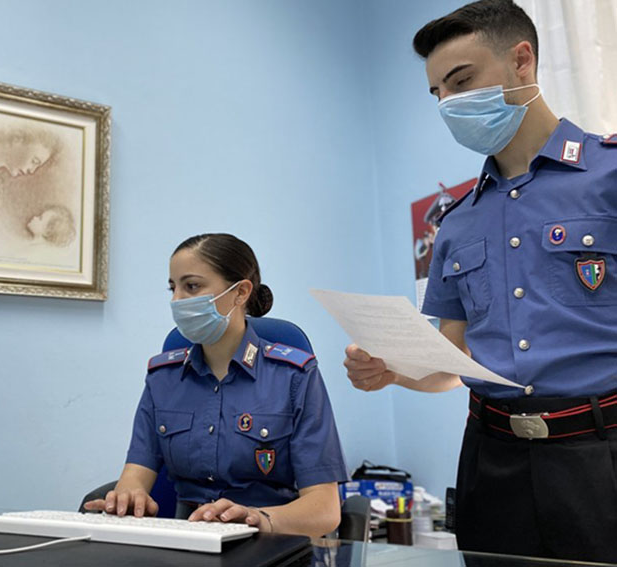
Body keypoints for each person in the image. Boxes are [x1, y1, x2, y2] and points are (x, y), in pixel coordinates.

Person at [344, 0, 617, 562]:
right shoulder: (457, 221)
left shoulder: (608, 174)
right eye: (438, 92)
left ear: (523, 62)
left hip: (602, 454)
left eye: (462, 80)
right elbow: (452, 361)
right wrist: (391, 371)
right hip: (490, 462)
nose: (449, 103)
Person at [86, 233, 348, 538]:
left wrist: (256, 518)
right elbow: (135, 477)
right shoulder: (163, 377)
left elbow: (324, 510)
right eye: (173, 288)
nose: (177, 300)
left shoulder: (294, 376)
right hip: (190, 543)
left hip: (273, 539)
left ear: (240, 293)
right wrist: (128, 497)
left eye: (192, 286)